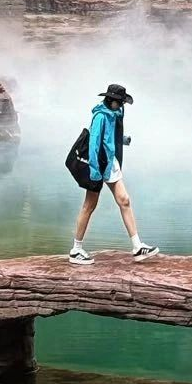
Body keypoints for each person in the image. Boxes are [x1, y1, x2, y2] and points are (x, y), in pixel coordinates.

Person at [69, 83, 158, 264]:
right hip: (100, 165)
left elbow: (109, 137)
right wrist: (94, 172)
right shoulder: (100, 116)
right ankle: (76, 250)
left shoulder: (114, 113)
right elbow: (94, 145)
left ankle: (137, 246)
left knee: (124, 200)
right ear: (113, 101)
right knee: (89, 206)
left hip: (111, 163)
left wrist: (122, 140)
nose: (123, 105)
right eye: (121, 102)